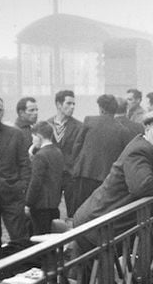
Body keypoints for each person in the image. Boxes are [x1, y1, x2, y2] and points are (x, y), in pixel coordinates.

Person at [72, 109, 153, 252]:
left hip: (108, 226)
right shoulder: (140, 150)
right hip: (96, 225)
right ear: (147, 129)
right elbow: (141, 185)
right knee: (88, 271)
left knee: (99, 270)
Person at [0, 94, 31, 259]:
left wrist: (21, 187)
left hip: (12, 195)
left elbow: (24, 163)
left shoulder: (15, 134)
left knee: (20, 239)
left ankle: (21, 274)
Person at [71, 94, 132, 209]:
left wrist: (76, 165)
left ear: (101, 108)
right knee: (100, 211)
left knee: (81, 209)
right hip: (106, 178)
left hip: (85, 173)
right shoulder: (123, 130)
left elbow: (77, 146)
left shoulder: (89, 121)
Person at [25, 121, 64, 235]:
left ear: (39, 136)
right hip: (54, 204)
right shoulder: (58, 152)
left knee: (39, 240)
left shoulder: (40, 155)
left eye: (33, 137)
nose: (32, 141)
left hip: (40, 206)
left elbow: (35, 182)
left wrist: (28, 203)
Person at [49, 89, 84, 217]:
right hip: (52, 175)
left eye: (74, 104)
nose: (72, 107)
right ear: (58, 104)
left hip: (70, 176)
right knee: (50, 210)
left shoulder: (79, 127)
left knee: (74, 212)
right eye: (68, 103)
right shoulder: (47, 125)